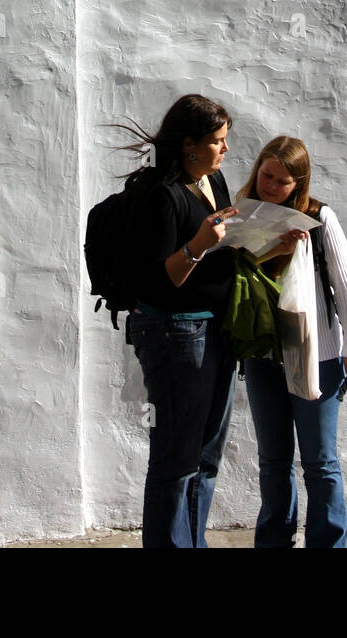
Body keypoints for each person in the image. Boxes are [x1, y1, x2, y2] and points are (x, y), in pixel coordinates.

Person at [237, 136, 347, 549]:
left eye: (283, 181)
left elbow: (345, 285)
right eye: (267, 175)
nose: (272, 186)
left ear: (300, 184)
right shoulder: (243, 211)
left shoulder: (318, 216)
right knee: (273, 460)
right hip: (262, 352)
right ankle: (274, 541)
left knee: (319, 461)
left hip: (317, 351)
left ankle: (327, 543)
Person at [119, 94, 239, 548]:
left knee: (206, 454)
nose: (225, 150)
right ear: (189, 144)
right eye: (218, 141)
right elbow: (161, 280)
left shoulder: (215, 180)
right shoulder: (163, 195)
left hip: (216, 329)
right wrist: (199, 244)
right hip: (176, 333)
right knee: (175, 455)